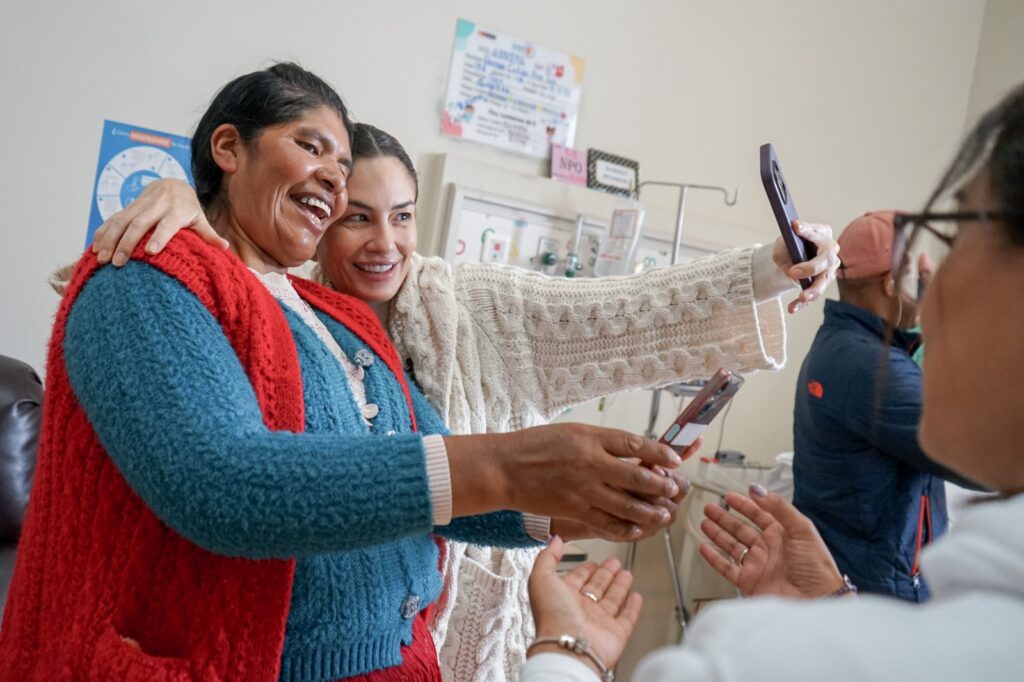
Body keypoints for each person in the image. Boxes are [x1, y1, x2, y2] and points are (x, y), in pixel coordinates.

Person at [0, 63, 694, 682]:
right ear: (229, 148)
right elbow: (219, 485)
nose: (334, 174)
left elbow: (436, 480)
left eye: (343, 161)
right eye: (311, 146)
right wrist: (512, 465)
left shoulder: (341, 320)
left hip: (403, 659)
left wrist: (580, 504)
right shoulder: (147, 280)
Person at [84, 121, 841, 680]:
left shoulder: (472, 306)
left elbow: (623, 309)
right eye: (357, 216)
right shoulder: (268, 311)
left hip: (467, 631)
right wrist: (183, 197)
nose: (386, 242)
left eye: (404, 214)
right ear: (319, 213)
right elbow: (240, 480)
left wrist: (765, 272)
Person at [522, 81, 1024, 681]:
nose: (930, 290)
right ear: (887, 284)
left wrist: (564, 655)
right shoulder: (860, 360)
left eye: (955, 237)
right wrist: (837, 606)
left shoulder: (750, 659)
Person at [792, 210, 981, 602]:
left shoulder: (839, 345)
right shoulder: (873, 368)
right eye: (916, 273)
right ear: (891, 283)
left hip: (854, 576)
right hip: (879, 592)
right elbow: (978, 459)